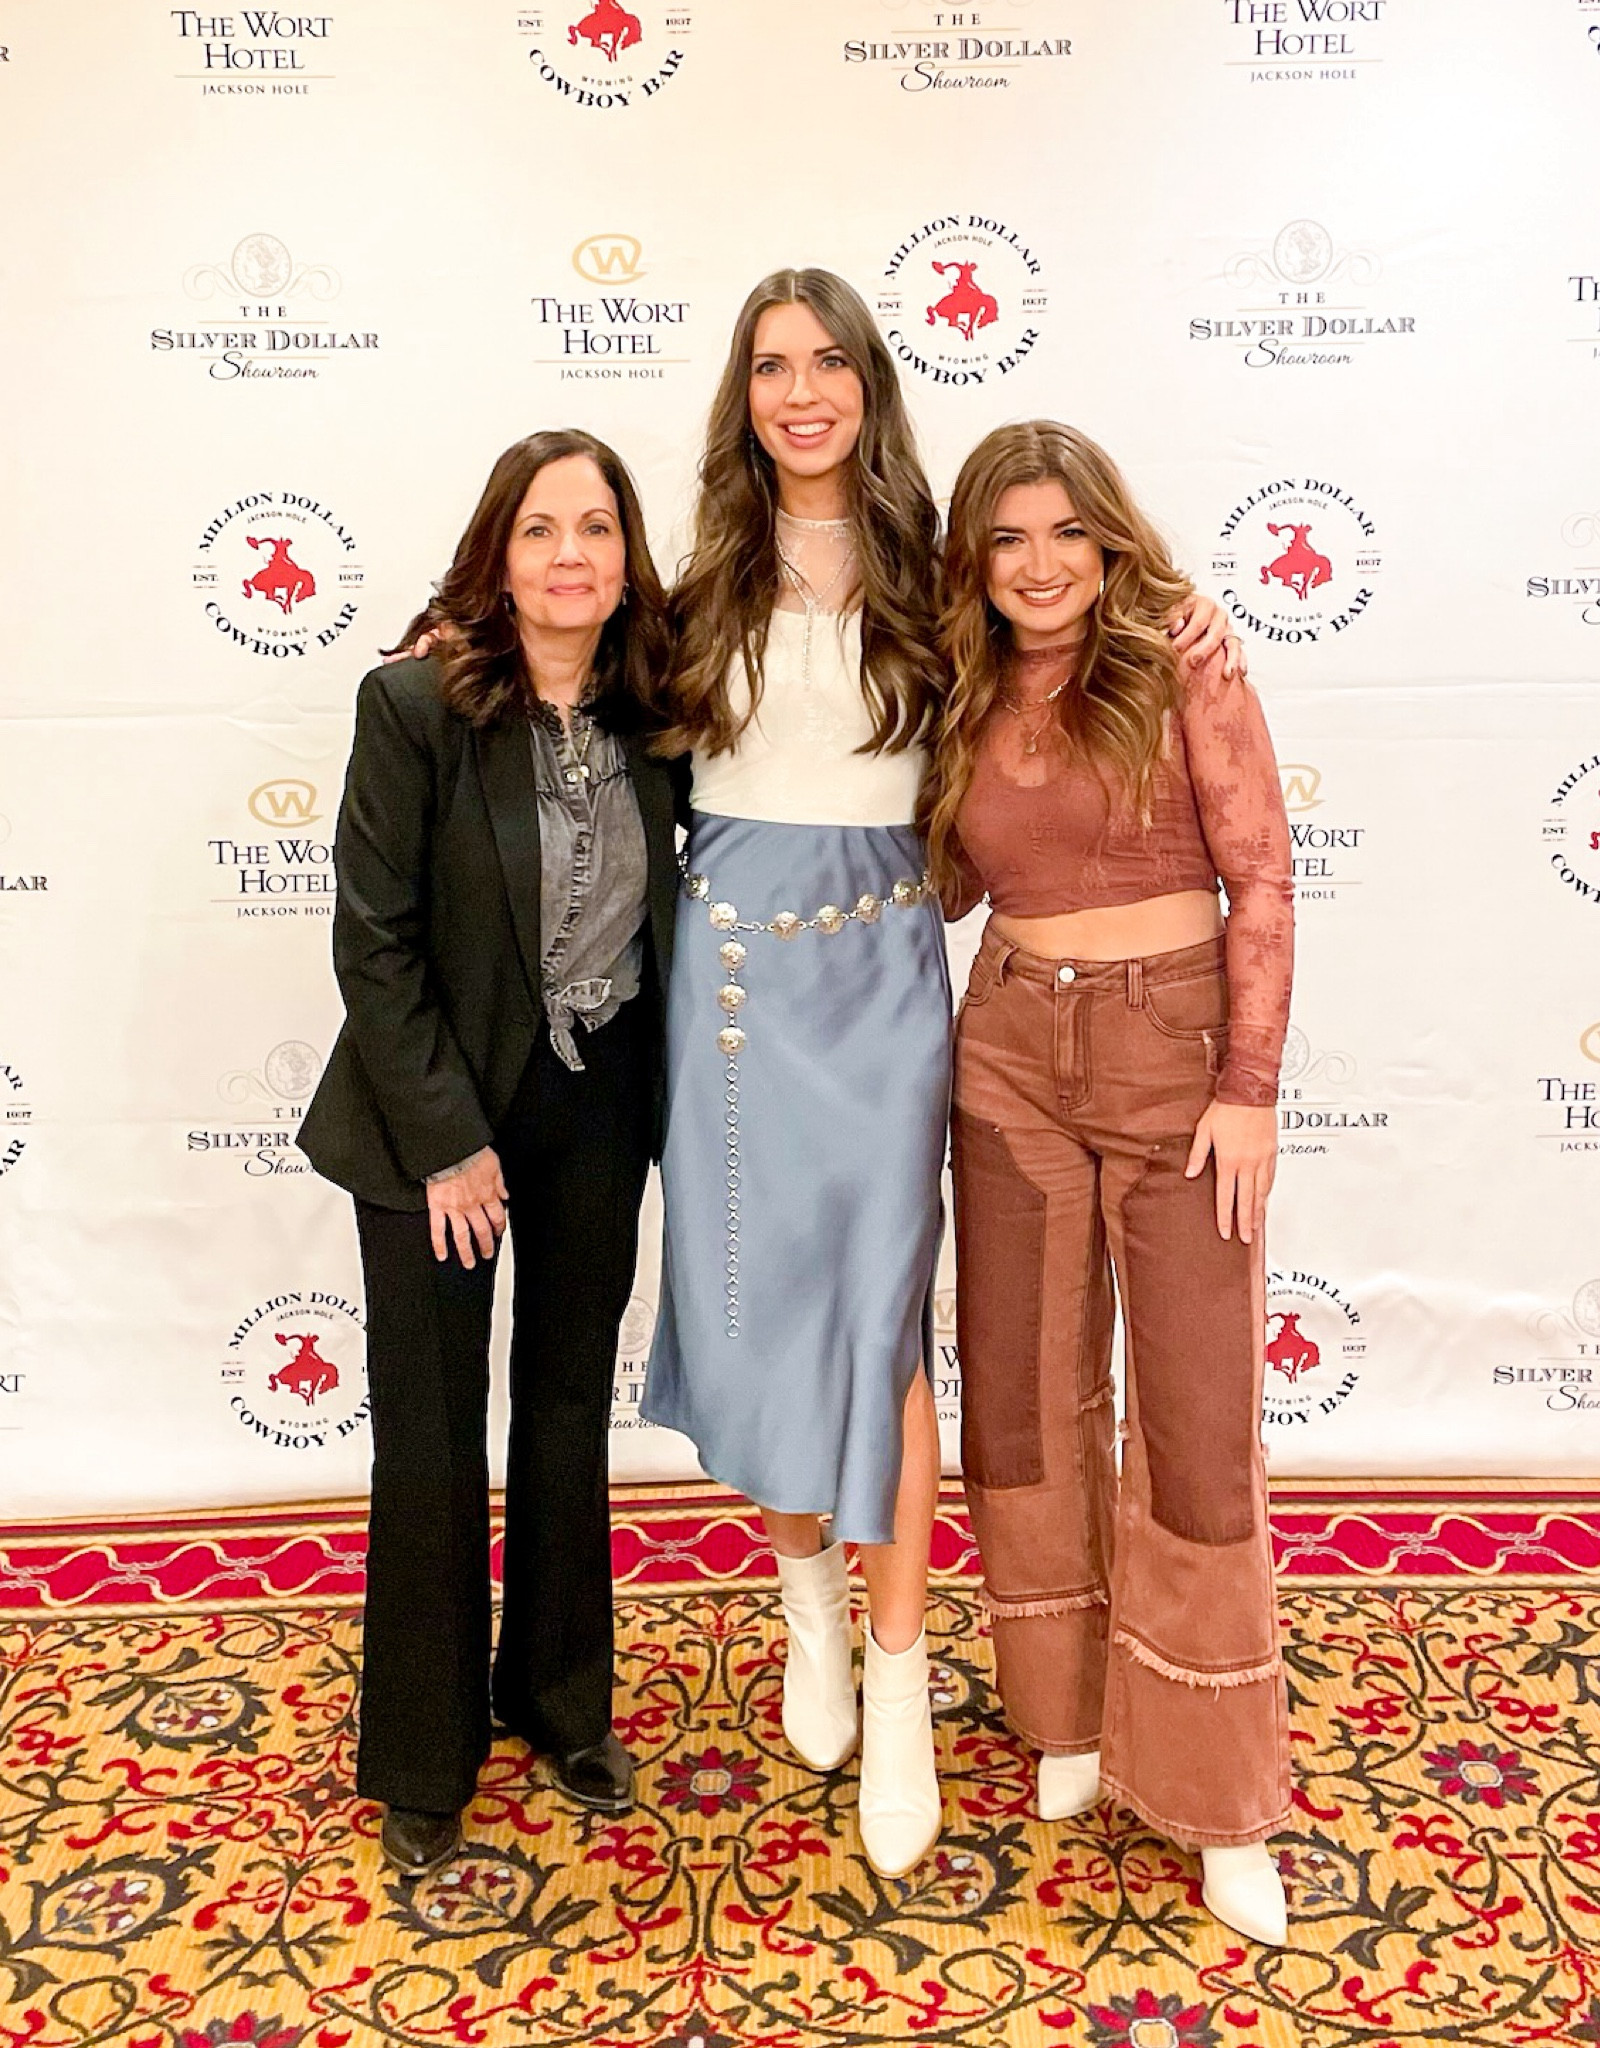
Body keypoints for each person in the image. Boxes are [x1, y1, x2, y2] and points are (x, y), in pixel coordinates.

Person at [639, 269, 1239, 1880]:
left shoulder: (935, 564)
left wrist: (1182, 612)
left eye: (829, 357)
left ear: (871, 380)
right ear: (742, 394)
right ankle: (813, 1615)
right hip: (734, 988)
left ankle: (901, 1687)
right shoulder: (687, 583)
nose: (801, 389)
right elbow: (553, 659)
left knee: (883, 1321)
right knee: (756, 1307)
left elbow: (1063, 651)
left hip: (891, 982)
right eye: (771, 363)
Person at [922, 421, 1295, 1945]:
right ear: (975, 560)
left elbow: (1261, 870)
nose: (1040, 566)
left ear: (1109, 537)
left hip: (1176, 1059)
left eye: (1064, 533)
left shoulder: (1180, 658)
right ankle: (1065, 1722)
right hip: (1005, 1051)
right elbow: (937, 883)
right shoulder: (957, 690)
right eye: (1006, 540)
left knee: (1198, 1425)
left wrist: (1250, 1089)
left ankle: (1216, 1795)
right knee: (1022, 1397)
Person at [298, 430, 682, 1879]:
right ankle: (422, 1746)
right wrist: (451, 1142)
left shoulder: (665, 708)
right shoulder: (412, 706)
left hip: (595, 1104)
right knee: (435, 1426)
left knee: (569, 1404)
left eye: (597, 527)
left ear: (628, 557)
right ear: (497, 554)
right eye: (540, 529)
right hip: (429, 1119)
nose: (571, 554)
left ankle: (559, 1699)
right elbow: (373, 942)